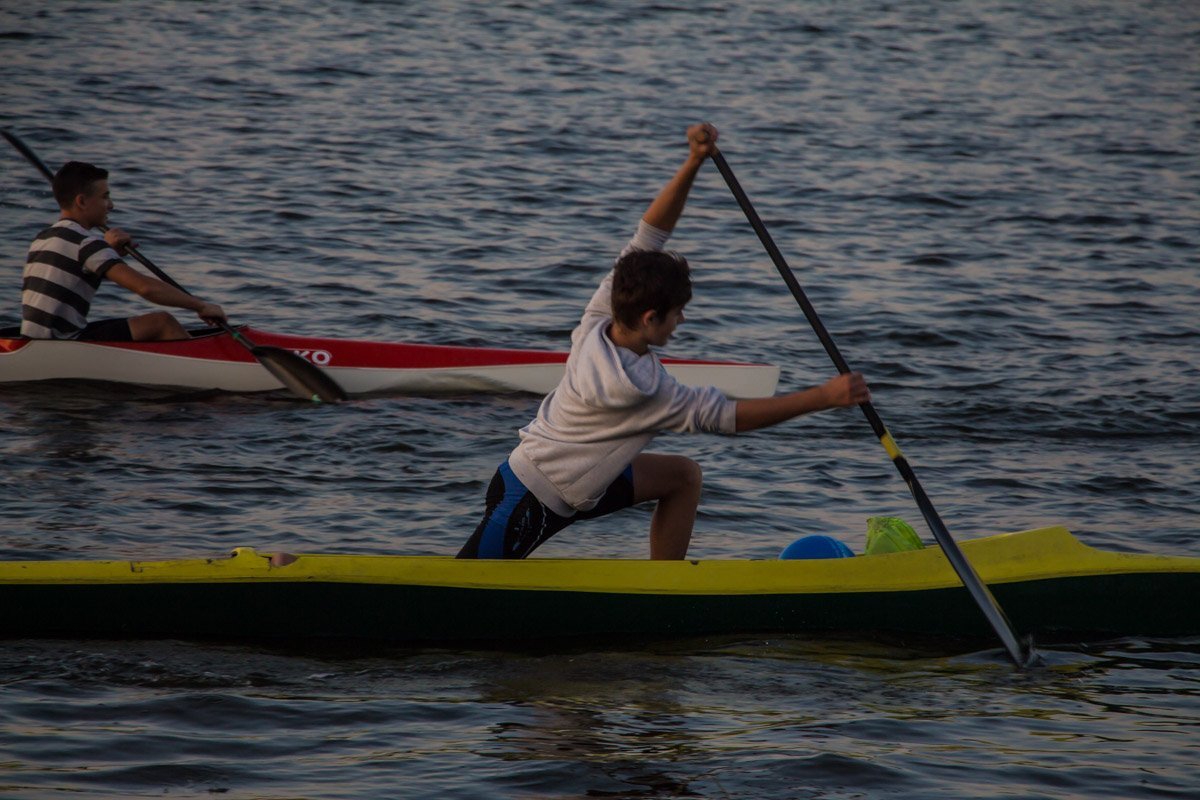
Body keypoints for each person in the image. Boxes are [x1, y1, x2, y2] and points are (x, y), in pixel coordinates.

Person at [457, 123, 870, 561]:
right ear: (651, 318)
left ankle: (664, 585)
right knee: (459, 590)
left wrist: (693, 162)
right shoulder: (643, 390)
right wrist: (822, 396)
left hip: (587, 482)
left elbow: (650, 234)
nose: (681, 321)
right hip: (533, 497)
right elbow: (732, 417)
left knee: (682, 476)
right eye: (676, 315)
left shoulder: (601, 313)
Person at [20, 160, 226, 341]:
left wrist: (109, 251)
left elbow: (72, 273)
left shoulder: (43, 238)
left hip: (33, 339)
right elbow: (145, 288)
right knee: (162, 322)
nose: (111, 205)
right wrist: (200, 306)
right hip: (61, 343)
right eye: (105, 197)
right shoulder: (87, 243)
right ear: (81, 201)